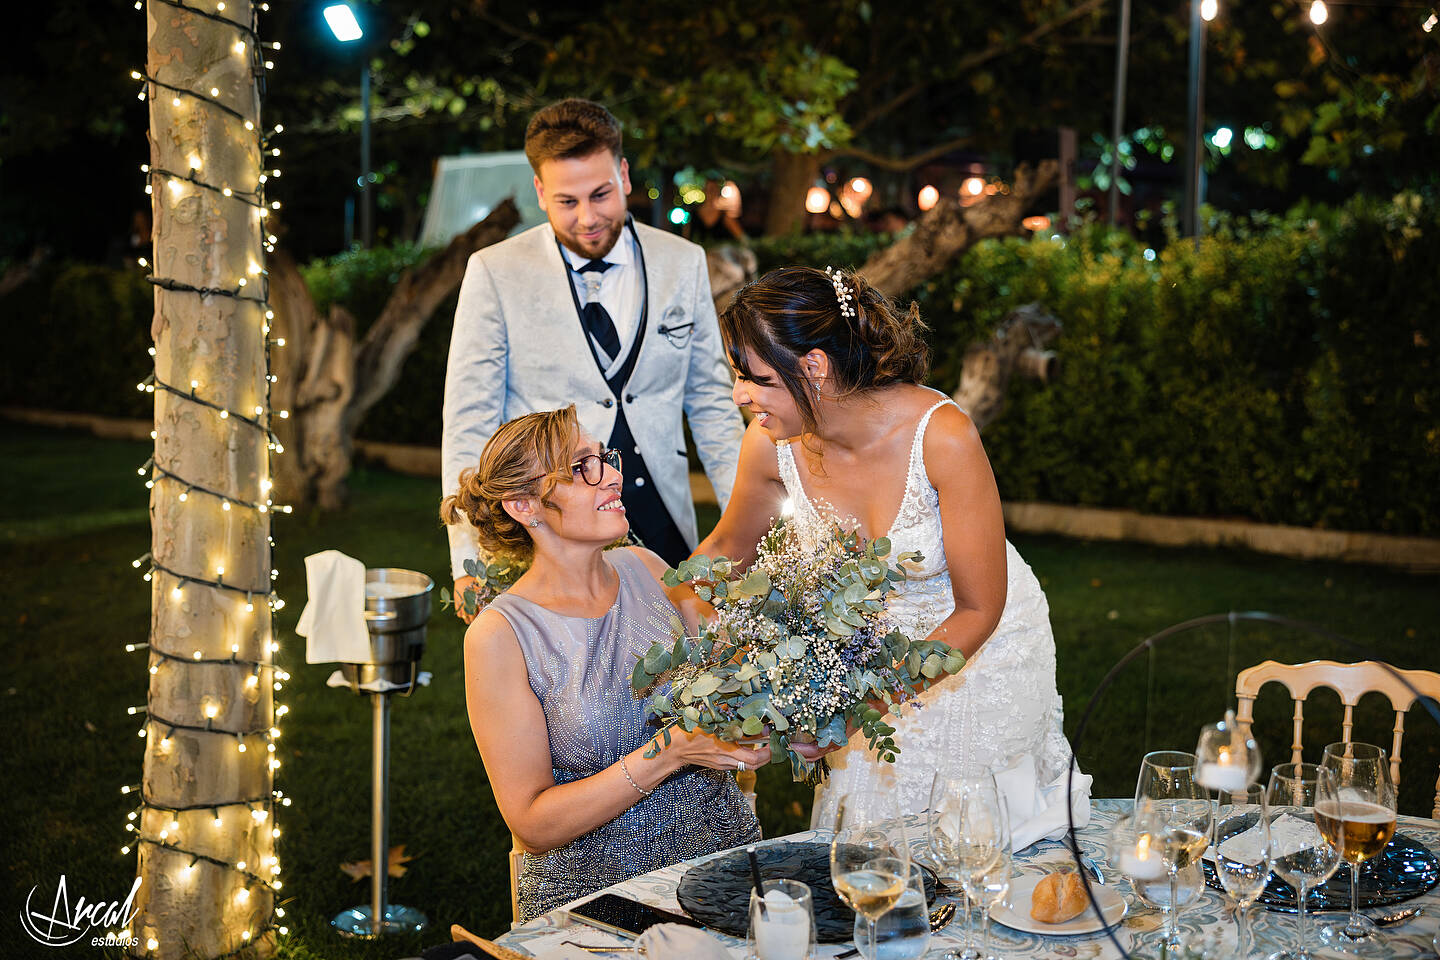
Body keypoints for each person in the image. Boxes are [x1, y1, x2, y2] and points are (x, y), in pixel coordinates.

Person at [696, 266, 1073, 826]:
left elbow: (979, 608)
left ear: (814, 367)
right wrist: (677, 622)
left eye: (756, 379)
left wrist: (856, 707)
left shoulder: (943, 437)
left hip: (979, 649)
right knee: (870, 849)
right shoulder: (768, 446)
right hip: (859, 661)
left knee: (976, 843)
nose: (739, 394)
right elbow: (727, 548)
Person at [442, 406, 766, 922]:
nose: (613, 475)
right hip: (594, 903)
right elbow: (533, 823)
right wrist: (670, 752)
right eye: (580, 467)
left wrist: (776, 721)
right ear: (525, 505)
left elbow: (740, 682)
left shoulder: (649, 567)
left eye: (605, 458)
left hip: (721, 868)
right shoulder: (501, 636)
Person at [442, 98, 743, 620]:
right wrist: (468, 559)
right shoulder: (494, 271)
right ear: (539, 192)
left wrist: (743, 527)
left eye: (601, 194)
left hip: (665, 522)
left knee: (693, 683)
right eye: (566, 201)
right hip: (554, 536)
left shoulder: (683, 261)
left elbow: (712, 405)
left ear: (624, 174)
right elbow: (470, 419)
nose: (587, 218)